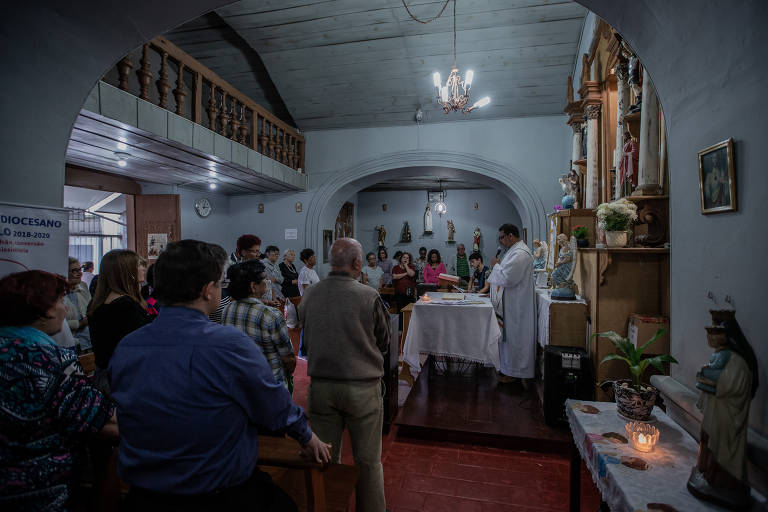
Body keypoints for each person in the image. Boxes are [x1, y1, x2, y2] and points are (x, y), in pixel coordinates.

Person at [109, 240, 331, 512]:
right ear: (207, 290)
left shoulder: (127, 346)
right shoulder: (229, 345)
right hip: (215, 492)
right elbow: (274, 406)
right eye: (219, 283)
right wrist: (307, 437)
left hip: (143, 494)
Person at [0, 270, 117, 511]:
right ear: (47, 309)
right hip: (38, 488)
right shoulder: (47, 358)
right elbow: (100, 420)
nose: (65, 309)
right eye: (61, 301)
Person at [299, 238, 390, 512]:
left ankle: (328, 506)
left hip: (321, 388)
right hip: (361, 388)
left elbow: (305, 342)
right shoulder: (368, 296)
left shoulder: (311, 294)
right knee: (368, 461)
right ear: (358, 263)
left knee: (325, 456)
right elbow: (384, 342)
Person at [223, 260, 296, 391]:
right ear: (253, 286)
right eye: (264, 278)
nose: (267, 281)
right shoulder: (271, 315)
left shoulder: (227, 310)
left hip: (239, 382)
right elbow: (288, 359)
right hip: (268, 385)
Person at [88, 249, 153, 395]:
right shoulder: (126, 306)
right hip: (122, 380)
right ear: (126, 271)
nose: (143, 268)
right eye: (139, 265)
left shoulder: (97, 303)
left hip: (105, 376)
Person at [488, 224, 536, 384]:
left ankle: (516, 373)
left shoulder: (520, 254)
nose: (500, 241)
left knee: (516, 339)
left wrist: (495, 266)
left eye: (502, 237)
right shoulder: (514, 251)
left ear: (510, 236)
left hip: (517, 306)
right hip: (511, 304)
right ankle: (509, 370)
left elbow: (507, 278)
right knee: (510, 340)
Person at [65, 256, 92, 351]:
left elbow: (90, 309)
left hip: (88, 343)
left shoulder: (83, 286)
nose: (79, 273)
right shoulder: (56, 293)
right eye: (74, 271)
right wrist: (80, 323)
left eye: (79, 270)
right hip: (69, 345)